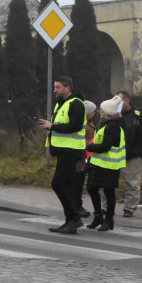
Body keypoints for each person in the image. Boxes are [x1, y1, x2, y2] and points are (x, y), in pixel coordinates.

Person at [38, 76, 87, 234]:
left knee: (58, 183)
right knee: (66, 185)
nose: (55, 90)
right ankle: (70, 220)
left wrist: (53, 126)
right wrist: (51, 127)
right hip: (63, 150)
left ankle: (74, 218)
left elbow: (76, 126)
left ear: (68, 88)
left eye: (58, 87)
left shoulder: (76, 104)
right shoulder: (62, 104)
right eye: (54, 87)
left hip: (71, 151)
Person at [85, 96, 127, 231]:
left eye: (102, 110)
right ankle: (99, 216)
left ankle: (108, 219)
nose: (100, 112)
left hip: (108, 165)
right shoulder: (107, 124)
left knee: (108, 191)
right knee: (92, 188)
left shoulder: (113, 127)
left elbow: (105, 146)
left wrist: (88, 147)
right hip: (100, 163)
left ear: (108, 112)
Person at [116, 90, 142, 218]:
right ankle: (105, 207)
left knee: (133, 183)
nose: (117, 103)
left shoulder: (138, 115)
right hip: (114, 155)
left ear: (127, 100)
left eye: (119, 100)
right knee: (108, 183)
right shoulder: (113, 114)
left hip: (132, 155)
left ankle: (129, 208)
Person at [70, 100, 98, 219]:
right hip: (81, 157)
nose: (95, 113)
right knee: (77, 183)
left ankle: (78, 206)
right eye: (93, 112)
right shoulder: (83, 125)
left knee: (80, 183)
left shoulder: (89, 122)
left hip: (86, 156)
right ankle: (76, 206)